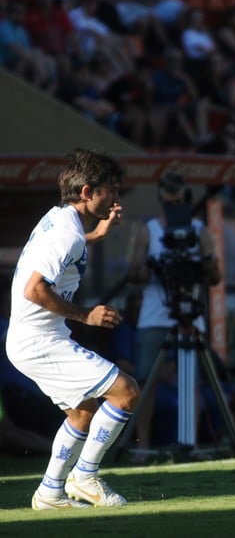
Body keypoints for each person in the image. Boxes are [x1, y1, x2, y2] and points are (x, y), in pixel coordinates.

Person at [5, 148, 139, 509]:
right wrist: (86, 316)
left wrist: (98, 233)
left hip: (32, 339)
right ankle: (86, 477)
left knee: (83, 413)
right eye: (110, 189)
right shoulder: (67, 234)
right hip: (40, 341)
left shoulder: (60, 219)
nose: (115, 196)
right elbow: (35, 289)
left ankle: (50, 493)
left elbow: (65, 252)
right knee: (126, 392)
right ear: (86, 192)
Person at [126, 173, 221, 454]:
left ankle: (188, 443)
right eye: (169, 201)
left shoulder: (200, 231)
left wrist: (202, 264)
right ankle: (143, 446)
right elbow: (133, 272)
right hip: (155, 314)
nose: (174, 206)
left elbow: (215, 276)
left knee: (190, 380)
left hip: (189, 314)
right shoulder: (149, 230)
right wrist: (151, 268)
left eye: (178, 201)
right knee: (145, 380)